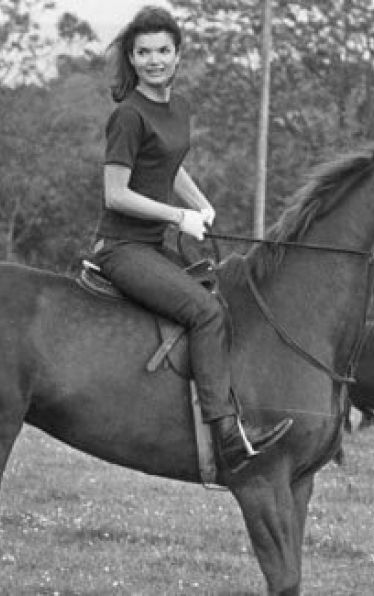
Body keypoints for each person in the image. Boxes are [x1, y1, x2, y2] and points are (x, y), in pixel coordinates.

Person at [90, 6, 292, 473]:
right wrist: (178, 216)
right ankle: (224, 434)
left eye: (163, 51)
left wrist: (201, 205)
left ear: (178, 55)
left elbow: (169, 163)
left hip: (156, 242)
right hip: (122, 248)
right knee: (205, 312)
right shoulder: (128, 116)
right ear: (132, 57)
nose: (154, 60)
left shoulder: (177, 108)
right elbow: (115, 194)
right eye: (144, 52)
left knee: (222, 294)